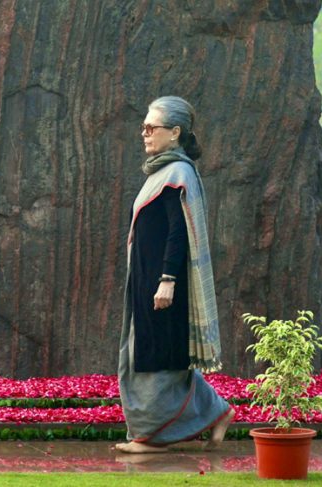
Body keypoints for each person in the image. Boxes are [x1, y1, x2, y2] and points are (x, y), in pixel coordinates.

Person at [116, 96, 234, 454]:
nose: (145, 134)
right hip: (145, 279)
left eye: (152, 128)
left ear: (176, 132)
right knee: (154, 352)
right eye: (144, 127)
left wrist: (167, 280)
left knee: (158, 355)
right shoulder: (161, 171)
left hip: (163, 284)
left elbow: (177, 232)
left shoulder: (178, 175)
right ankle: (218, 411)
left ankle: (151, 437)